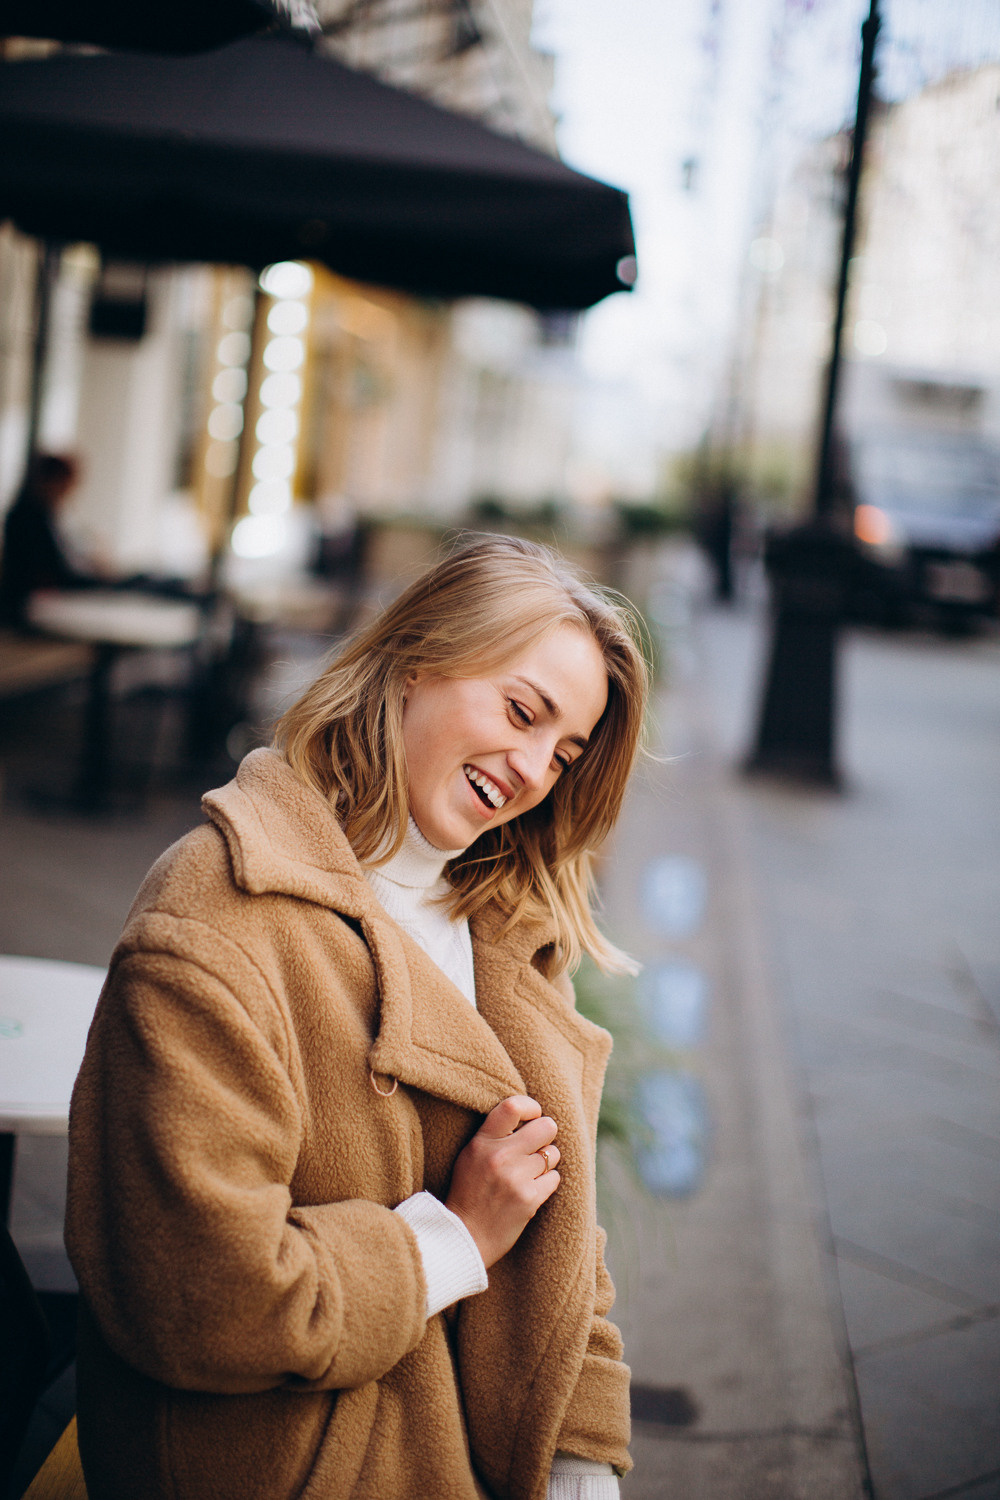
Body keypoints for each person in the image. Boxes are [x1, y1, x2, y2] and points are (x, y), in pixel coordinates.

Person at [65, 534, 649, 1500]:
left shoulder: (508, 923)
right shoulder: (214, 921)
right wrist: (454, 1236)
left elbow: (564, 1243)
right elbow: (197, 1298)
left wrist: (584, 1458)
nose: (537, 767)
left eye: (565, 749)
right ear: (418, 658)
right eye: (521, 710)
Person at [0, 453, 98, 627]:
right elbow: (54, 571)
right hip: (39, 598)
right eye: (67, 483)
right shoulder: (28, 517)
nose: (71, 490)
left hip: (56, 589)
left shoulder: (49, 515)